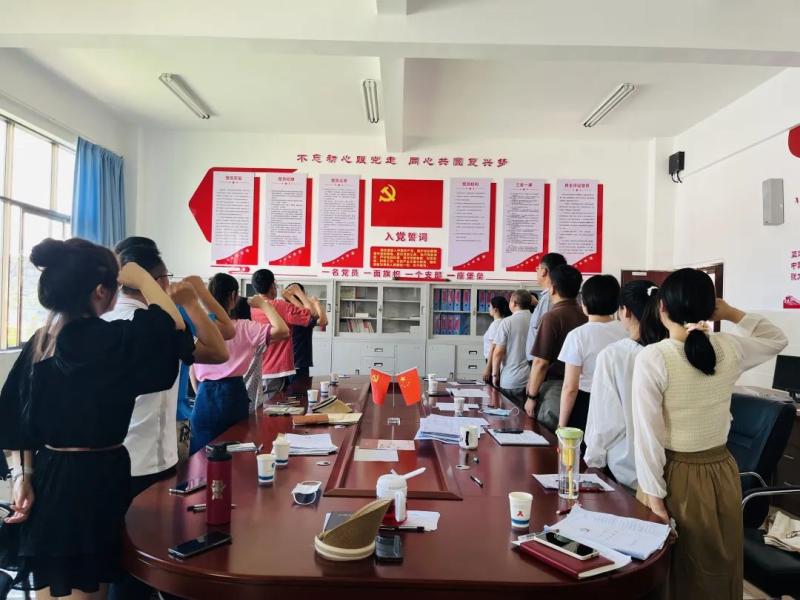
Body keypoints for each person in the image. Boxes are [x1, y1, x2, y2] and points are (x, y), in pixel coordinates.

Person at [0, 238, 194, 599]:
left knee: (63, 584)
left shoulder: (42, 342)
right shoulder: (113, 340)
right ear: (100, 292)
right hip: (100, 478)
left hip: (53, 476)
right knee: (91, 585)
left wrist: (22, 476)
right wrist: (144, 278)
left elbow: (15, 419)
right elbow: (172, 324)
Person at [632, 268, 787, 599]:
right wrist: (731, 313)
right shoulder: (729, 347)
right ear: (709, 308)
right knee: (716, 567)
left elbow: (648, 436)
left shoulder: (654, 357)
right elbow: (777, 339)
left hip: (673, 475)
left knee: (672, 573)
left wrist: (655, 501)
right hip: (722, 472)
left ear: (662, 307)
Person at [104, 242, 228, 499]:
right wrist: (191, 302)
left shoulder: (100, 320)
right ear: (159, 282)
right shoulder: (160, 327)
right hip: (149, 459)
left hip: (104, 458)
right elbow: (218, 352)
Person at [190, 274, 289, 454]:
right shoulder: (244, 327)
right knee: (235, 451)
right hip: (232, 393)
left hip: (204, 392)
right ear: (233, 296)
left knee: (201, 454)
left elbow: (192, 368)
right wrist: (264, 305)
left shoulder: (198, 325)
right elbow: (282, 331)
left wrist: (201, 393)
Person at [583, 280, 666, 490]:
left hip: (625, 465)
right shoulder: (669, 350)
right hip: (668, 464)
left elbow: (606, 420)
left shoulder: (613, 355)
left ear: (625, 311)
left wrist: (594, 460)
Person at [556, 274, 627, 430]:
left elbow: (570, 387)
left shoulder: (577, 336)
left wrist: (561, 426)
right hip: (620, 402)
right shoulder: (626, 332)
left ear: (584, 302)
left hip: (586, 403)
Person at [525, 264, 586, 430]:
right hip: (581, 389)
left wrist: (531, 396)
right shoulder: (585, 316)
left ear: (552, 288)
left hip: (555, 390)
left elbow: (540, 363)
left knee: (548, 436)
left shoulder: (552, 317)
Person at [249, 270, 313, 396]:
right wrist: (298, 294)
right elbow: (311, 315)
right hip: (275, 369)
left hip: (254, 369)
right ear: (273, 285)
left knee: (261, 405)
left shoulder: (251, 307)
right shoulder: (281, 306)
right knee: (273, 405)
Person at [491, 290, 533, 406]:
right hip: (531, 381)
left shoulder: (507, 322)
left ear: (514, 303)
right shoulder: (537, 320)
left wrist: (495, 375)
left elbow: (498, 352)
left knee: (509, 414)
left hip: (510, 379)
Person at [283, 283, 328, 382]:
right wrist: (316, 303)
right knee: (299, 390)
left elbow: (319, 318)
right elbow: (321, 320)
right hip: (298, 362)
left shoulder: (286, 309)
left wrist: (292, 297)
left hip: (288, 362)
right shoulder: (297, 314)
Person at [525, 253, 567, 361]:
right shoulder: (548, 298)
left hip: (541, 362)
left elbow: (546, 336)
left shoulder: (548, 298)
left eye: (537, 268)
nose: (537, 271)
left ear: (544, 271)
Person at [482, 296, 511, 384]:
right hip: (500, 362)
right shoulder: (505, 322)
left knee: (491, 390)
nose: (488, 308)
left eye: (490, 306)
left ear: (495, 309)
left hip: (492, 362)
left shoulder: (495, 325)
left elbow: (493, 348)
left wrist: (488, 368)